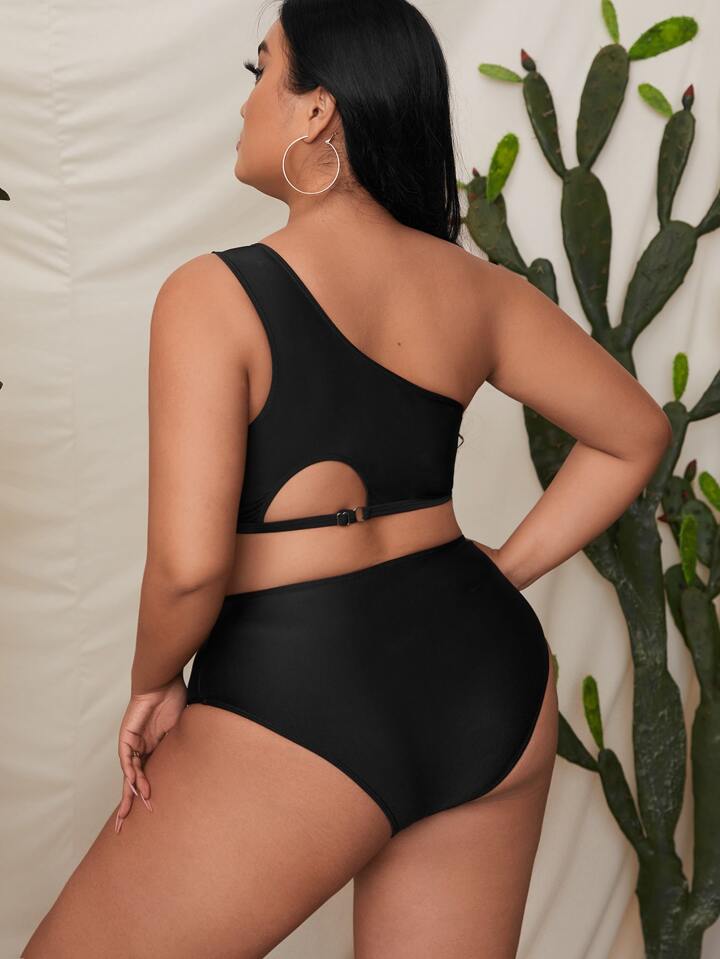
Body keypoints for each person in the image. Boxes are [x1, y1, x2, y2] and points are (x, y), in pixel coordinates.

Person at [21, 2, 672, 957]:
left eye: (261, 71)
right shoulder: (477, 289)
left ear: (318, 108)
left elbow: (190, 569)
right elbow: (637, 433)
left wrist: (153, 681)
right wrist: (499, 573)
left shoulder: (212, 294)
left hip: (305, 683)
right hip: (487, 679)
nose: (246, 102)